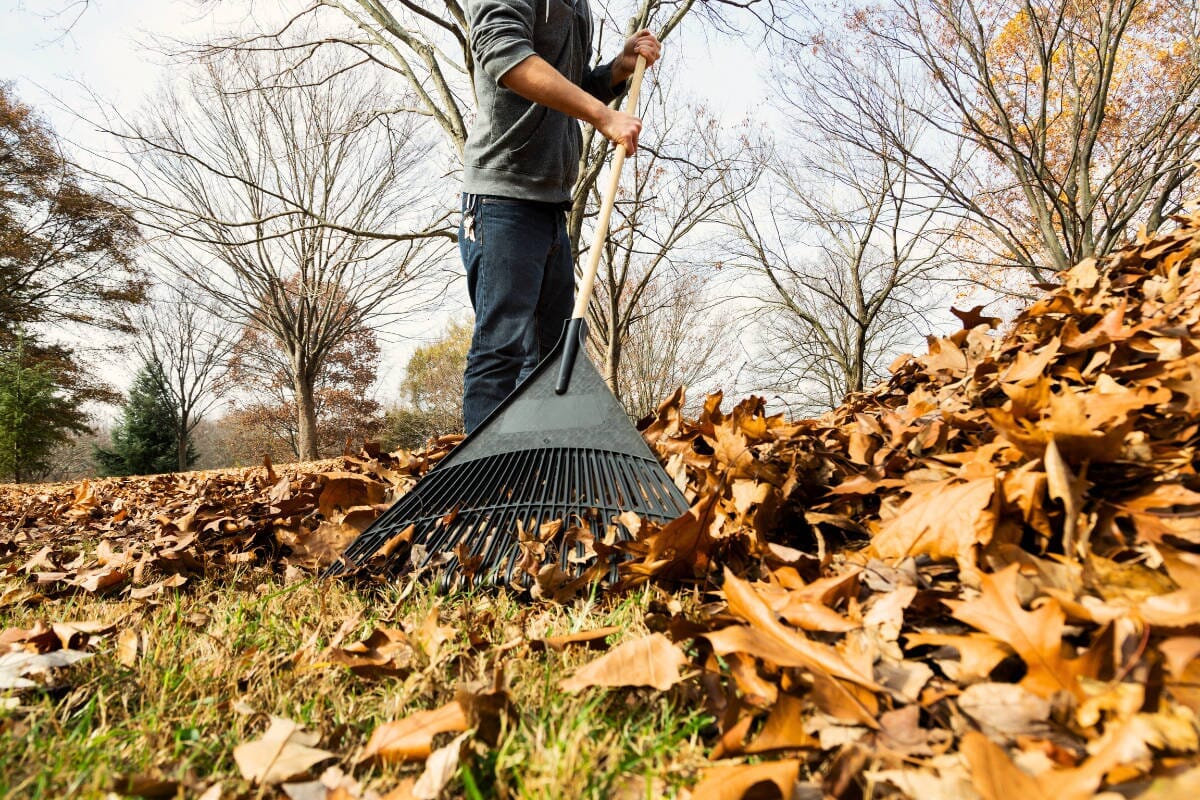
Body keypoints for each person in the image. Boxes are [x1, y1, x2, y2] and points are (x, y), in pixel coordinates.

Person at [460, 0, 662, 433]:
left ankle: (537, 475)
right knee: (500, 351)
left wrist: (618, 69)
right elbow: (503, 54)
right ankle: (480, 485)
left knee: (549, 358)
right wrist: (605, 116)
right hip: (502, 198)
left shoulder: (578, 6)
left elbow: (570, 86)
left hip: (552, 203)